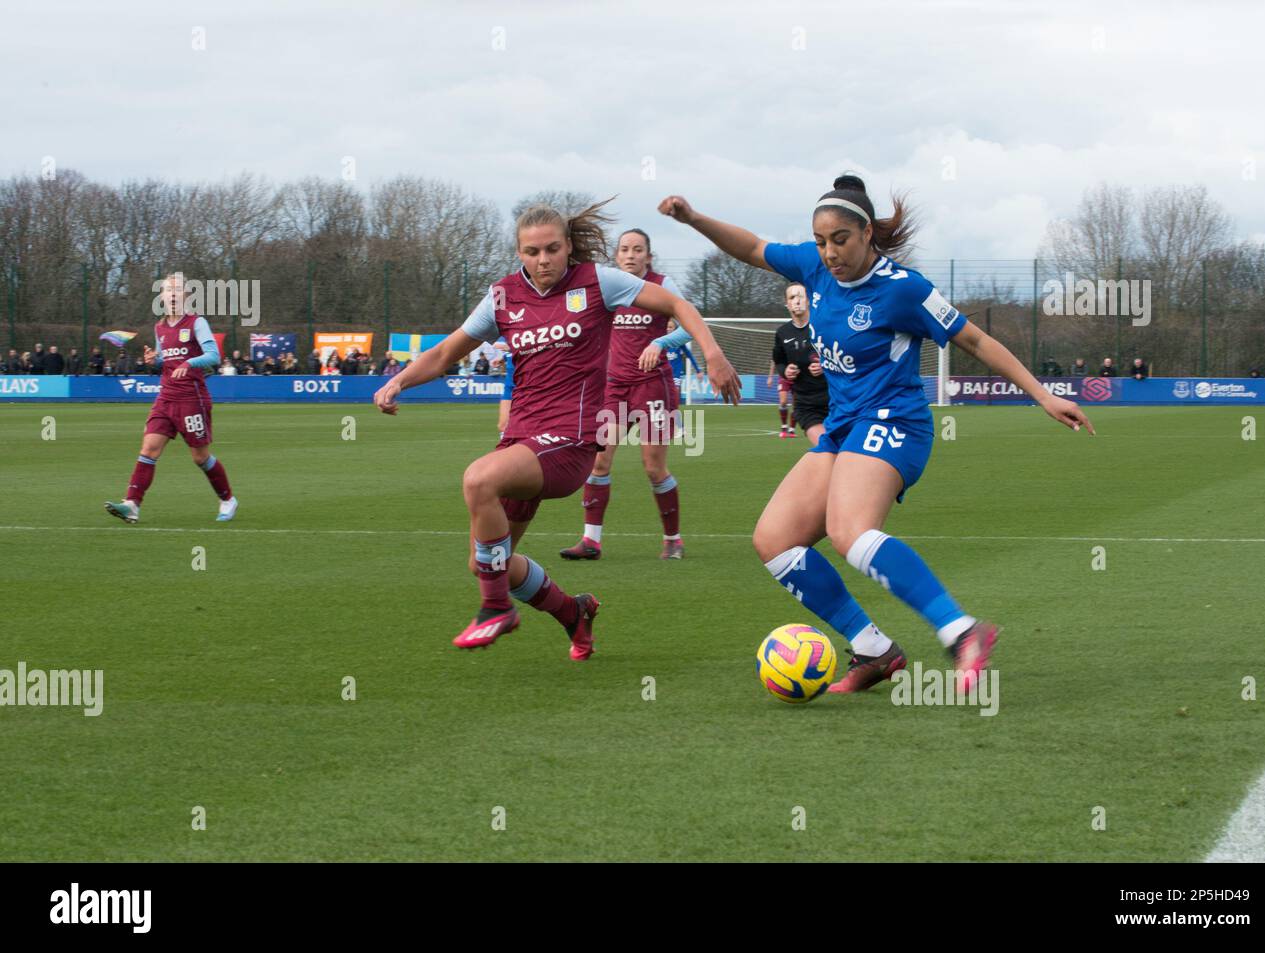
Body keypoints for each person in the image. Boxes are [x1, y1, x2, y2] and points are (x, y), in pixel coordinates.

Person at [658, 174, 1092, 695]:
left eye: (840, 239)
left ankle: (962, 632)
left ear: (866, 233)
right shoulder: (813, 267)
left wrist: (1041, 394)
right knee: (773, 541)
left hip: (895, 423)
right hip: (842, 427)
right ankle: (874, 649)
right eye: (820, 241)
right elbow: (752, 247)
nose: (829, 252)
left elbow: (973, 339)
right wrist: (694, 218)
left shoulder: (903, 289)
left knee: (850, 531)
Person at [372, 199, 740, 659]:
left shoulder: (597, 282)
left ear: (568, 247)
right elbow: (447, 353)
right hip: (522, 440)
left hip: (574, 439)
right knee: (488, 563)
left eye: (551, 249)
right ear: (518, 252)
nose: (542, 260)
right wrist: (399, 381)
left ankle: (496, 610)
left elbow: (676, 304)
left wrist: (712, 351)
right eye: (531, 251)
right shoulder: (502, 296)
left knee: (478, 479)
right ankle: (574, 612)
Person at [559, 228, 694, 561]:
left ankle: (672, 539)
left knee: (653, 468)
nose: (631, 254)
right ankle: (591, 541)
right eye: (624, 249)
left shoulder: (662, 286)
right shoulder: (607, 288)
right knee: (599, 461)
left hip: (652, 387)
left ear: (648, 256)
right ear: (616, 256)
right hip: (612, 387)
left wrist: (660, 342)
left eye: (638, 249)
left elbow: (691, 326)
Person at [104, 272, 237, 524]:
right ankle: (132, 504)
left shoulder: (197, 323)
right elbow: (166, 360)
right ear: (162, 296)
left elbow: (213, 356)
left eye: (177, 290)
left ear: (186, 295)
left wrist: (189, 362)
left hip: (191, 398)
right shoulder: (159, 327)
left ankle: (228, 499)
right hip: (166, 397)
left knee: (200, 457)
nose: (173, 294)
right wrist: (155, 360)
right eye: (168, 290)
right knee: (148, 449)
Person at [769, 283, 829, 445]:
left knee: (844, 450)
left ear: (808, 300)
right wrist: (785, 371)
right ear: (787, 304)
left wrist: (826, 365)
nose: (797, 301)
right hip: (806, 405)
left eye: (800, 296)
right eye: (792, 297)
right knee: (826, 446)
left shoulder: (825, 326)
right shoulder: (782, 333)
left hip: (835, 400)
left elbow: (847, 357)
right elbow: (779, 361)